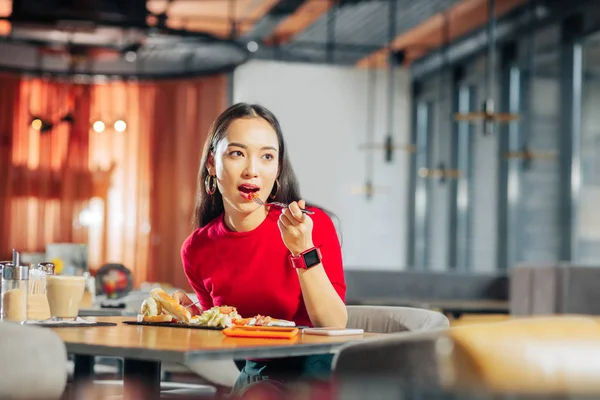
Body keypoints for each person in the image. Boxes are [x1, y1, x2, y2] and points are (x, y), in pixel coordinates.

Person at [175, 102, 347, 394]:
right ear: (211, 164)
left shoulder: (311, 226)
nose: (251, 170)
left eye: (267, 156)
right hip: (254, 380)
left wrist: (302, 249)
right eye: (237, 154)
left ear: (278, 168)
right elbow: (220, 334)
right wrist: (190, 316)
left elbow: (333, 324)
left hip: (315, 375)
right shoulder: (197, 248)